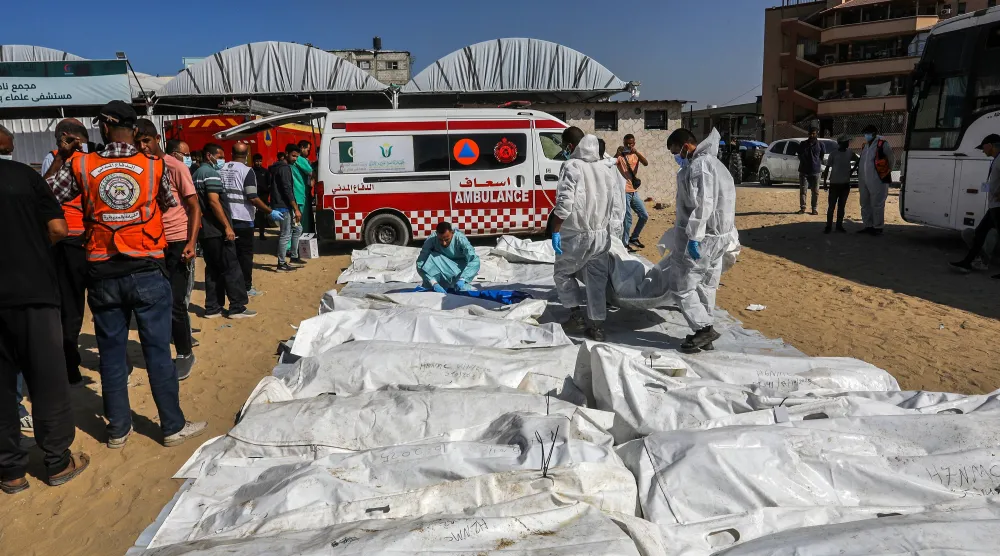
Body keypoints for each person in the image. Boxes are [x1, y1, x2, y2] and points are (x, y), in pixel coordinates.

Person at [46, 101, 207, 449]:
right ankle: (171, 427)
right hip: (147, 267)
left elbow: (47, 196)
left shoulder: (82, 163)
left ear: (104, 127)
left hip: (103, 270)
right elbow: (168, 203)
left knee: (112, 355)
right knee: (157, 354)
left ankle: (118, 429)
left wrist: (63, 157)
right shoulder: (152, 165)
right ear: (134, 130)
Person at [1, 124, 90, 494]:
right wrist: (33, 249)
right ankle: (56, 461)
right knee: (48, 379)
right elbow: (58, 227)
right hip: (34, 293)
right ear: (8, 145)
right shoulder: (26, 177)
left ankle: (10, 471)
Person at [134, 121, 202, 380]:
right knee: (152, 302)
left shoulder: (176, 167)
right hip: (150, 243)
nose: (143, 147)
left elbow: (194, 206)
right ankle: (161, 348)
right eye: (138, 142)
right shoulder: (140, 168)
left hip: (176, 242)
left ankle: (185, 352)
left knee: (175, 302)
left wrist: (190, 242)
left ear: (157, 139)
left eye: (146, 141)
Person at [666, 128, 738, 352]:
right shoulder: (714, 164)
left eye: (676, 151)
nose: (676, 156)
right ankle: (705, 333)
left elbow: (704, 203)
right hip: (719, 236)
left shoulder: (701, 165)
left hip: (705, 236)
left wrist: (695, 237)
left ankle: (703, 329)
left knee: (682, 286)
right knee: (707, 285)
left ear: (686, 146)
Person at [551, 127, 617, 341]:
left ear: (570, 146)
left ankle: (575, 316)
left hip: (577, 234)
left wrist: (555, 229)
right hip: (601, 234)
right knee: (596, 280)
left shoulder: (572, 166)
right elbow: (615, 202)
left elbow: (564, 203)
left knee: (563, 272)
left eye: (564, 146)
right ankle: (597, 326)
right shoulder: (605, 167)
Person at [41, 119, 91, 388]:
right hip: (69, 239)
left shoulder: (88, 161)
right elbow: (44, 191)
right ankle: (70, 365)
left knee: (77, 306)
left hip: (86, 239)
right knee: (71, 307)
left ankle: (72, 364)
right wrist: (61, 157)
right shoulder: (54, 159)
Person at [193, 144, 257, 319]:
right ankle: (237, 307)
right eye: (219, 156)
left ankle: (212, 308)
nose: (222, 160)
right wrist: (227, 227)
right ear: (209, 156)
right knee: (231, 266)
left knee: (213, 268)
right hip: (217, 229)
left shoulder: (197, 173)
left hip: (205, 229)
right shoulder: (211, 174)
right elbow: (214, 202)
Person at [220, 143, 283, 297]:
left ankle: (229, 286)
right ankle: (246, 287)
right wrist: (270, 211)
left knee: (229, 255)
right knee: (245, 256)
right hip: (242, 219)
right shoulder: (247, 171)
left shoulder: (221, 169)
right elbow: (253, 197)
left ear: (231, 152)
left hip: (225, 219)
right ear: (247, 155)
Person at [951, 134, 1000, 276]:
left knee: (982, 233)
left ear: (990, 145)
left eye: (983, 147)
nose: (983, 151)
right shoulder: (996, 159)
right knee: (979, 233)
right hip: (994, 206)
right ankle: (967, 262)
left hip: (998, 206)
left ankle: (968, 262)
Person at [416, 222, 481, 292]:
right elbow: (420, 263)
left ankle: (462, 285)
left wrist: (462, 279)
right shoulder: (431, 239)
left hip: (459, 271)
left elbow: (474, 260)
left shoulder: (460, 239)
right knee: (431, 257)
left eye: (447, 239)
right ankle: (436, 285)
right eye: (440, 240)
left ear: (452, 233)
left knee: (462, 290)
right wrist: (433, 283)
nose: (444, 243)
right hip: (441, 269)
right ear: (436, 234)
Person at [857, 124, 894, 235]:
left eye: (867, 133)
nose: (866, 136)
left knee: (877, 203)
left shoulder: (882, 144)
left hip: (877, 179)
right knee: (864, 203)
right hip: (864, 179)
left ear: (873, 133)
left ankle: (877, 227)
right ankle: (868, 225)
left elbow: (891, 159)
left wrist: (886, 172)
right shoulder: (865, 146)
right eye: (865, 133)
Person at [616, 134, 649, 251]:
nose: (629, 146)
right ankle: (624, 244)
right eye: (626, 144)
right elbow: (611, 164)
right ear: (623, 143)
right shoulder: (620, 157)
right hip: (624, 191)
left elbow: (646, 163)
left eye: (631, 143)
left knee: (644, 215)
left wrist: (637, 152)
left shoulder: (636, 155)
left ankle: (634, 237)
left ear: (634, 143)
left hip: (633, 191)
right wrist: (618, 153)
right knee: (627, 219)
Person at [273, 146, 303, 270]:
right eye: (293, 155)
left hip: (285, 205)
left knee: (297, 228)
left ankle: (293, 256)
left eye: (297, 156)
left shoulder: (280, 167)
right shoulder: (284, 168)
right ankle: (281, 263)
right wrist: (295, 208)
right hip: (283, 206)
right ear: (287, 154)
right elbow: (287, 190)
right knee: (285, 234)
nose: (295, 159)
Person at [822, 136, 858, 234]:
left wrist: (852, 170)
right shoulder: (833, 154)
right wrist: (825, 182)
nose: (848, 143)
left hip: (845, 184)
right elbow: (827, 169)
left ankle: (838, 225)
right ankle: (829, 226)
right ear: (841, 143)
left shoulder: (849, 153)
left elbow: (858, 160)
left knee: (841, 207)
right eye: (846, 142)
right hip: (835, 184)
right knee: (831, 207)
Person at [798, 127, 824, 215]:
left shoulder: (820, 144)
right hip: (804, 171)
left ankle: (814, 208)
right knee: (803, 190)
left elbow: (821, 157)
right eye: (810, 134)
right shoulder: (803, 144)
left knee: (815, 191)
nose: (811, 135)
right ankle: (803, 208)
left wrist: (816, 163)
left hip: (816, 171)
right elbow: (799, 155)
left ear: (817, 134)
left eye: (813, 133)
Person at [292, 140, 315, 237]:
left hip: (296, 193)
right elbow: (311, 172)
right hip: (301, 194)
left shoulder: (293, 161)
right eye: (307, 150)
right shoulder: (300, 159)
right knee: (302, 222)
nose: (308, 152)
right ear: (302, 147)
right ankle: (301, 243)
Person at [252, 154, 272, 240]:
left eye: (260, 161)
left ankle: (261, 233)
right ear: (254, 161)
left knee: (262, 216)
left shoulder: (265, 171)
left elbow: (269, 184)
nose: (258, 163)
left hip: (263, 197)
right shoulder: (250, 171)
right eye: (257, 161)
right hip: (252, 196)